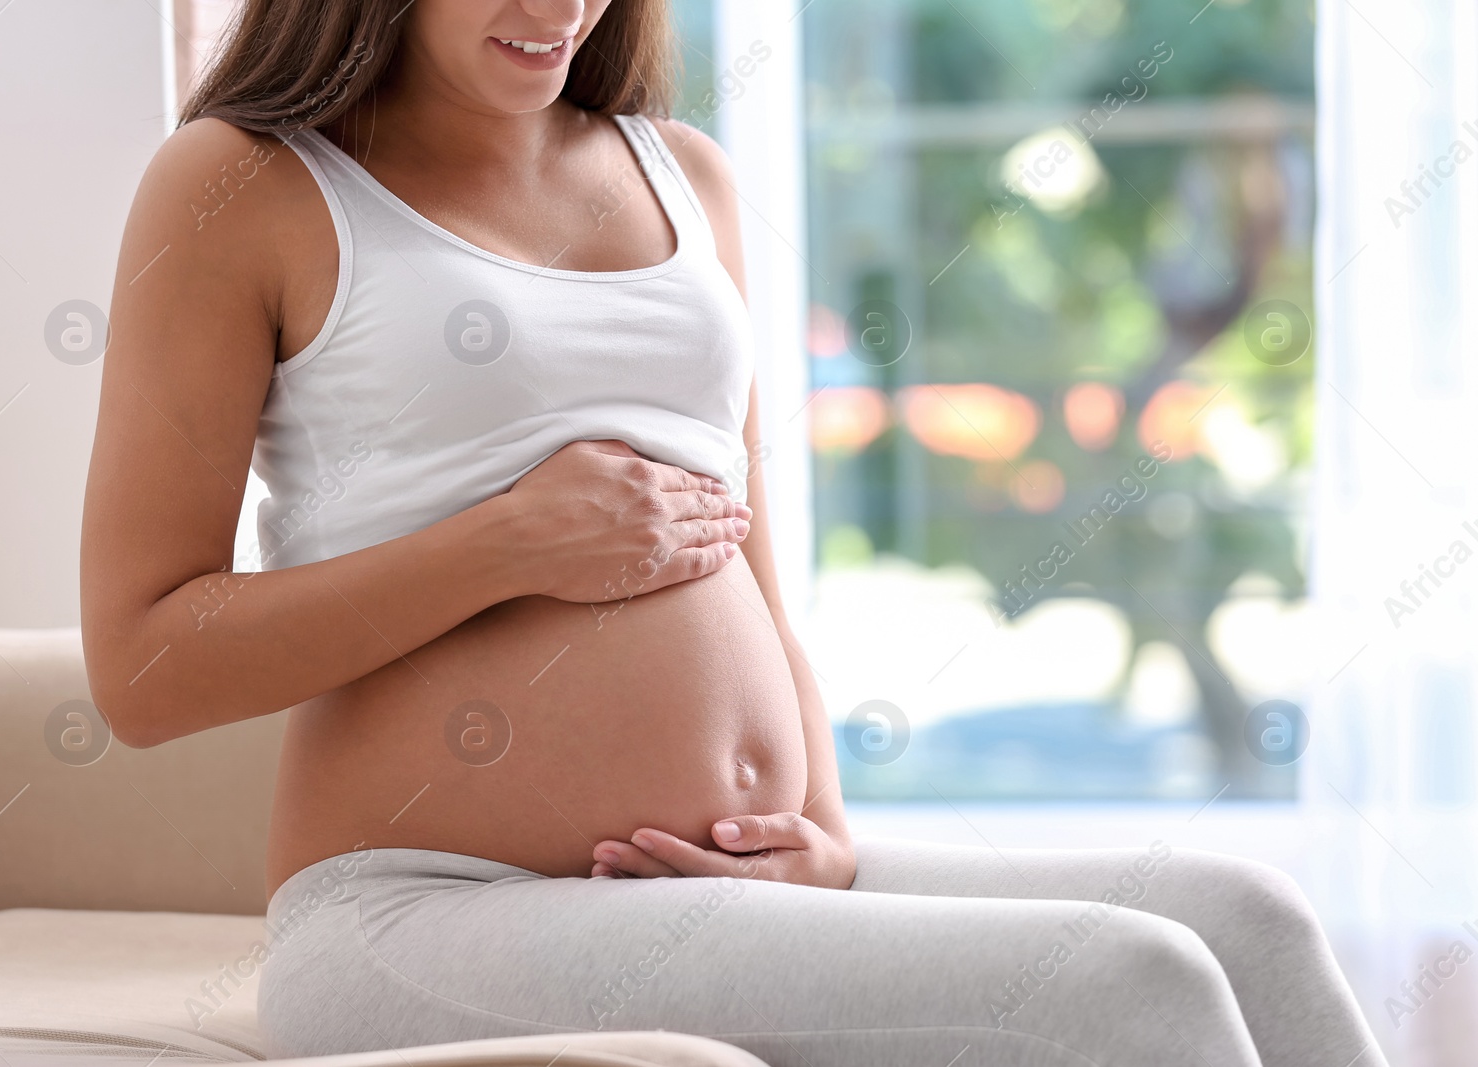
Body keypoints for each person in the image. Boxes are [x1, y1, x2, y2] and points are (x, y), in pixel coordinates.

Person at [78, 1, 1387, 1063]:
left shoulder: (679, 169)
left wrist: (821, 827)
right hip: (420, 913)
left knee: (1249, 919)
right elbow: (143, 668)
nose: (558, 10)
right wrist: (503, 544)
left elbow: (744, 555)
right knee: (1122, 984)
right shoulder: (243, 183)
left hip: (728, 880)